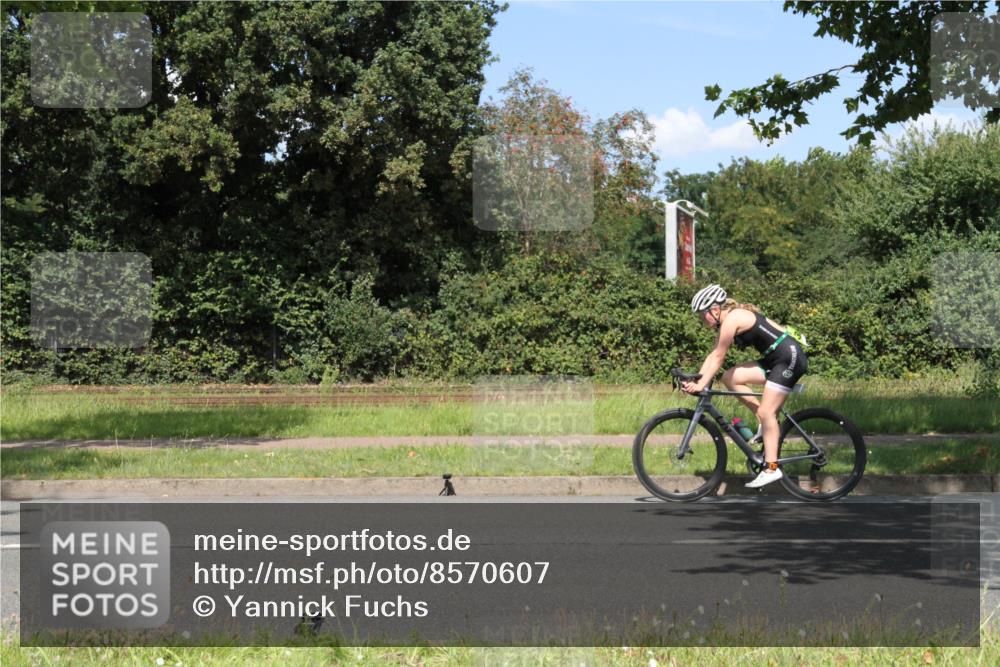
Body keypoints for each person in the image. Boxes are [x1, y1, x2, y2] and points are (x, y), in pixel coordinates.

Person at [681, 284, 808, 488]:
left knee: (768, 412)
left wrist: (701, 384)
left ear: (714, 310)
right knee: (730, 378)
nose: (700, 319)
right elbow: (713, 355)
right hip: (775, 360)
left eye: (701, 314)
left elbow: (719, 357)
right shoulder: (728, 320)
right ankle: (764, 422)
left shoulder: (733, 319)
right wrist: (697, 380)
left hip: (788, 359)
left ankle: (772, 468)